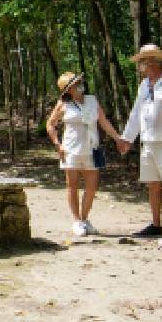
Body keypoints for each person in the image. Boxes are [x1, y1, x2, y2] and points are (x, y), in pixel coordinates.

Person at [116, 44, 162, 239]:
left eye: (143, 62)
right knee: (152, 184)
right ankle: (156, 224)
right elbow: (136, 113)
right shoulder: (144, 85)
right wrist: (127, 138)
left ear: (154, 62)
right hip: (148, 141)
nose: (141, 66)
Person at [46, 71, 124, 237]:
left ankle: (84, 218)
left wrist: (118, 138)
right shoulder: (63, 104)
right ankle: (77, 221)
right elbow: (50, 124)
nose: (79, 85)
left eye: (79, 81)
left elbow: (103, 122)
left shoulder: (92, 100)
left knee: (91, 186)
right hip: (71, 150)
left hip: (92, 148)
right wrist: (57, 143)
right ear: (68, 90)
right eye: (75, 84)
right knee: (72, 186)